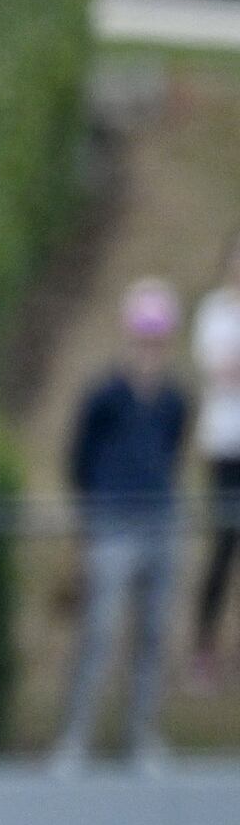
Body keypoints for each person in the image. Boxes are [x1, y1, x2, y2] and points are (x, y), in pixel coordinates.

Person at [57, 280, 191, 768]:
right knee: (101, 631)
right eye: (143, 335)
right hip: (113, 522)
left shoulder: (174, 399)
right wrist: (90, 514)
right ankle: (76, 737)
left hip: (160, 521)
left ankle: (141, 737)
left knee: (153, 634)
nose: (149, 346)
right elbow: (79, 457)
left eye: (157, 336)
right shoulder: (105, 395)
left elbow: (173, 449)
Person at [195, 241, 240, 692]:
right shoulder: (213, 312)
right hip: (226, 446)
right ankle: (203, 648)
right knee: (222, 549)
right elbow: (219, 370)